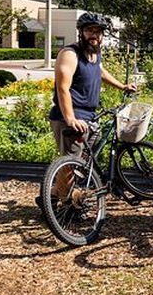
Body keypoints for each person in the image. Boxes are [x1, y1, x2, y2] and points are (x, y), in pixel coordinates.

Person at [40, 12, 136, 209]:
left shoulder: (94, 53)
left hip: (90, 115)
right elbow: (63, 88)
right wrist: (70, 119)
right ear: (81, 32)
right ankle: (66, 205)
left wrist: (122, 86)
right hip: (70, 116)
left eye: (98, 31)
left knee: (82, 161)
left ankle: (52, 196)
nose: (94, 35)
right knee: (70, 163)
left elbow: (100, 71)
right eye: (90, 30)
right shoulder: (70, 54)